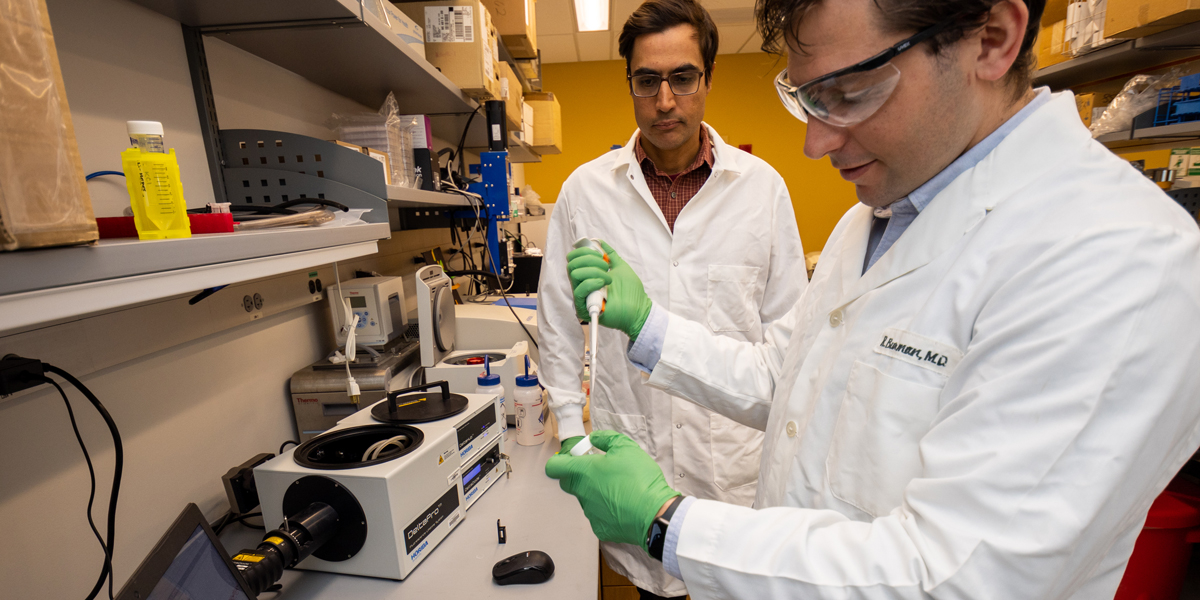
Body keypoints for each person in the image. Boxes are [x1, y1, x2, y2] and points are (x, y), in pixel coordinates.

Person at [546, 0, 1200, 598]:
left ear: (992, 40)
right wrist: (651, 328)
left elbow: (956, 576)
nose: (816, 141)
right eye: (807, 98)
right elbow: (793, 381)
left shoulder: (1119, 255)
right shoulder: (873, 217)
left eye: (850, 92)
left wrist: (669, 525)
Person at [536, 0, 807, 597]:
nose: (665, 100)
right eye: (647, 80)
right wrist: (568, 431)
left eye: (682, 78)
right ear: (629, 84)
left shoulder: (762, 190)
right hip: (634, 459)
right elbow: (555, 322)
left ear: (708, 78)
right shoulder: (585, 191)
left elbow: (790, 340)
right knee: (650, 585)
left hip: (730, 471)